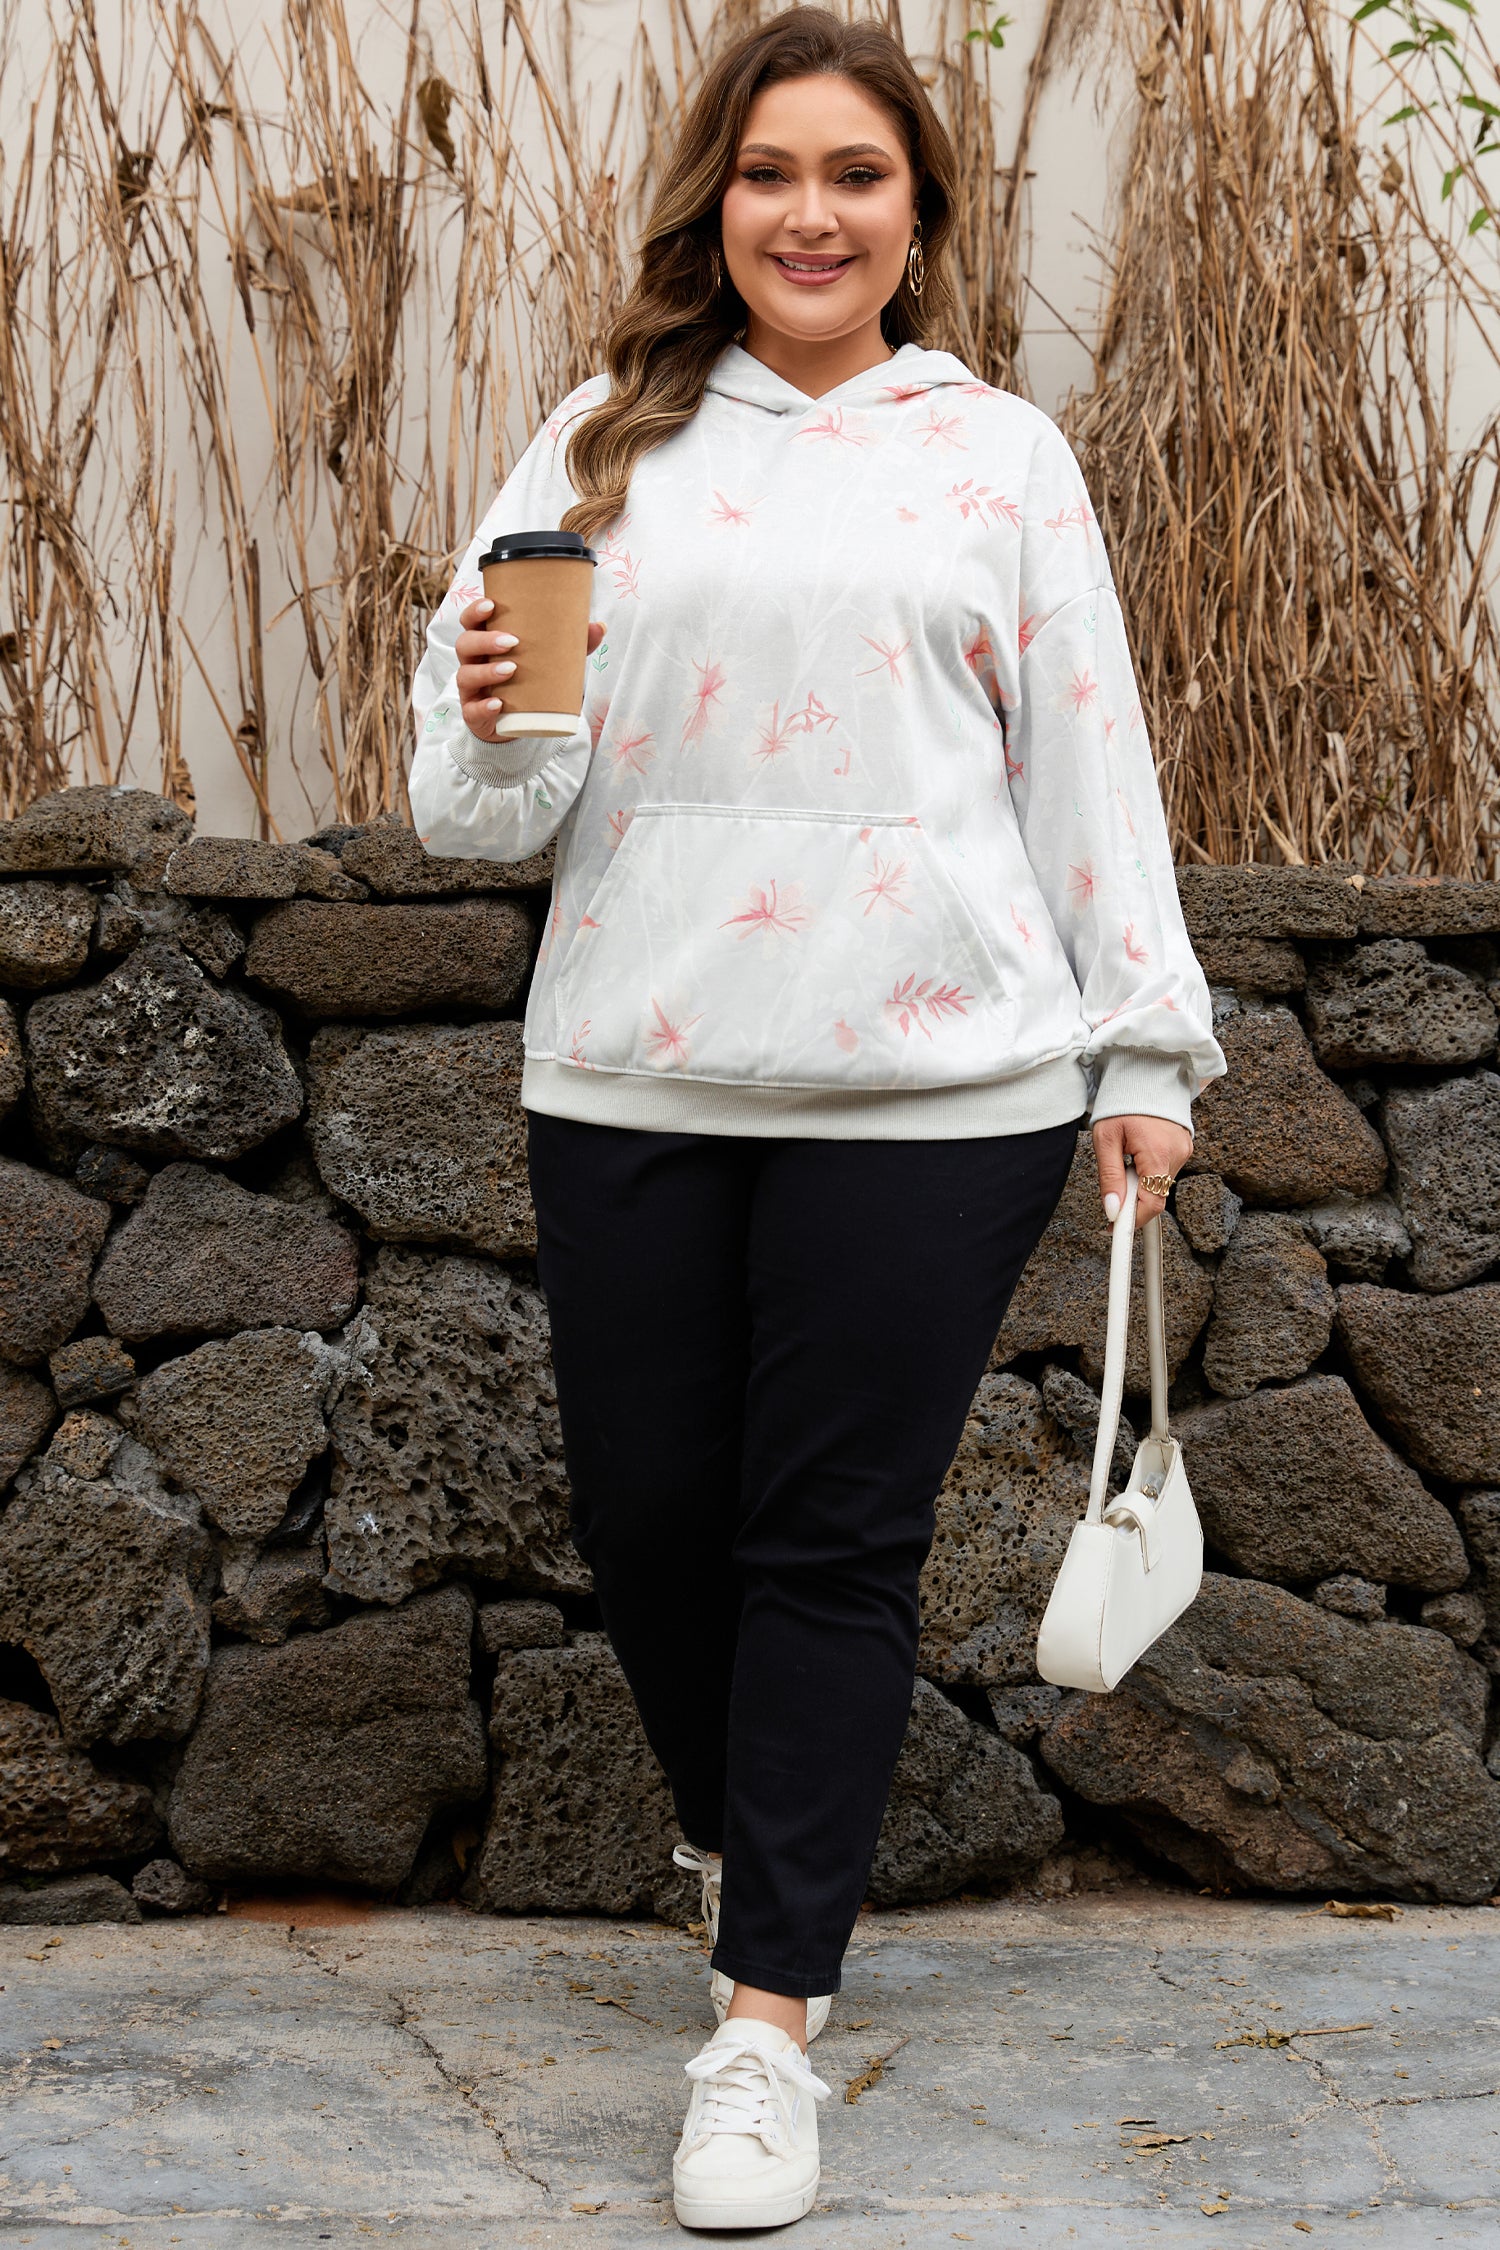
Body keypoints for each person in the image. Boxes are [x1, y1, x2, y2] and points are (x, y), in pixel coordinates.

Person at [409, 6, 1224, 2229]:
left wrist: (1143, 1054)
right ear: (719, 201)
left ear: (918, 213)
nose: (811, 213)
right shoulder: (604, 440)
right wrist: (476, 718)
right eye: (772, 170)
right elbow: (482, 809)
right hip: (637, 1061)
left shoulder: (1001, 459)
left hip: (940, 1085)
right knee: (653, 1520)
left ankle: (767, 2028)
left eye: (857, 173)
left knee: (831, 1546)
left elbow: (1089, 761)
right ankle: (746, 1846)